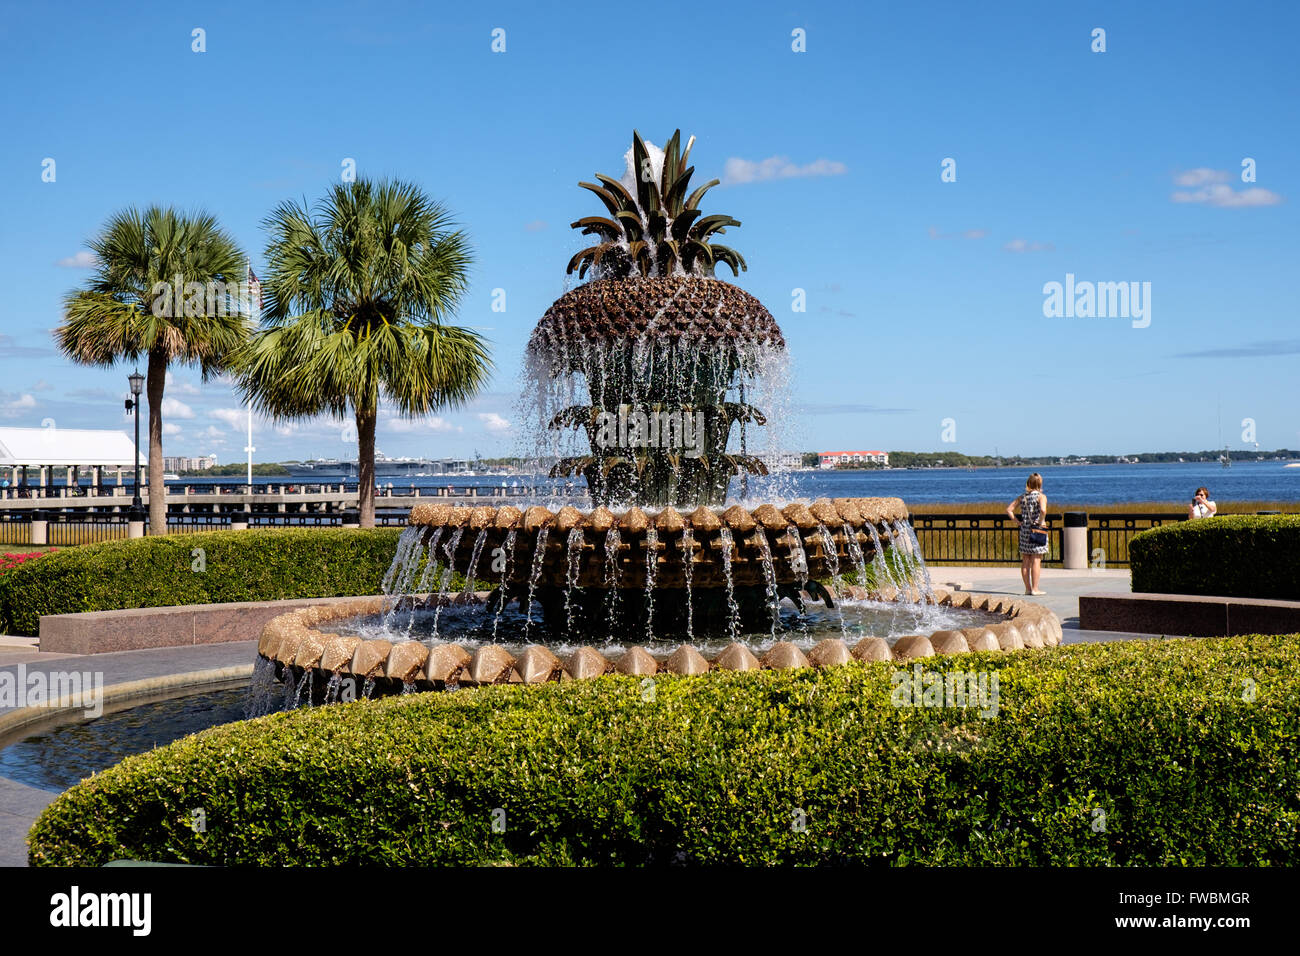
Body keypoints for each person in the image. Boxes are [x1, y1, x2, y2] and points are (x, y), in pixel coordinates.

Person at [1007, 472, 1049, 595]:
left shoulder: (1022, 497)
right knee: (1036, 559)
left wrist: (1017, 522)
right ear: (1040, 483)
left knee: (1025, 559)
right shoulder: (1041, 496)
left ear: (1028, 483)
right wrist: (1040, 522)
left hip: (1025, 530)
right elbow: (1043, 510)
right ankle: (1035, 589)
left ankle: (1027, 588)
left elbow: (1009, 510)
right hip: (1037, 530)